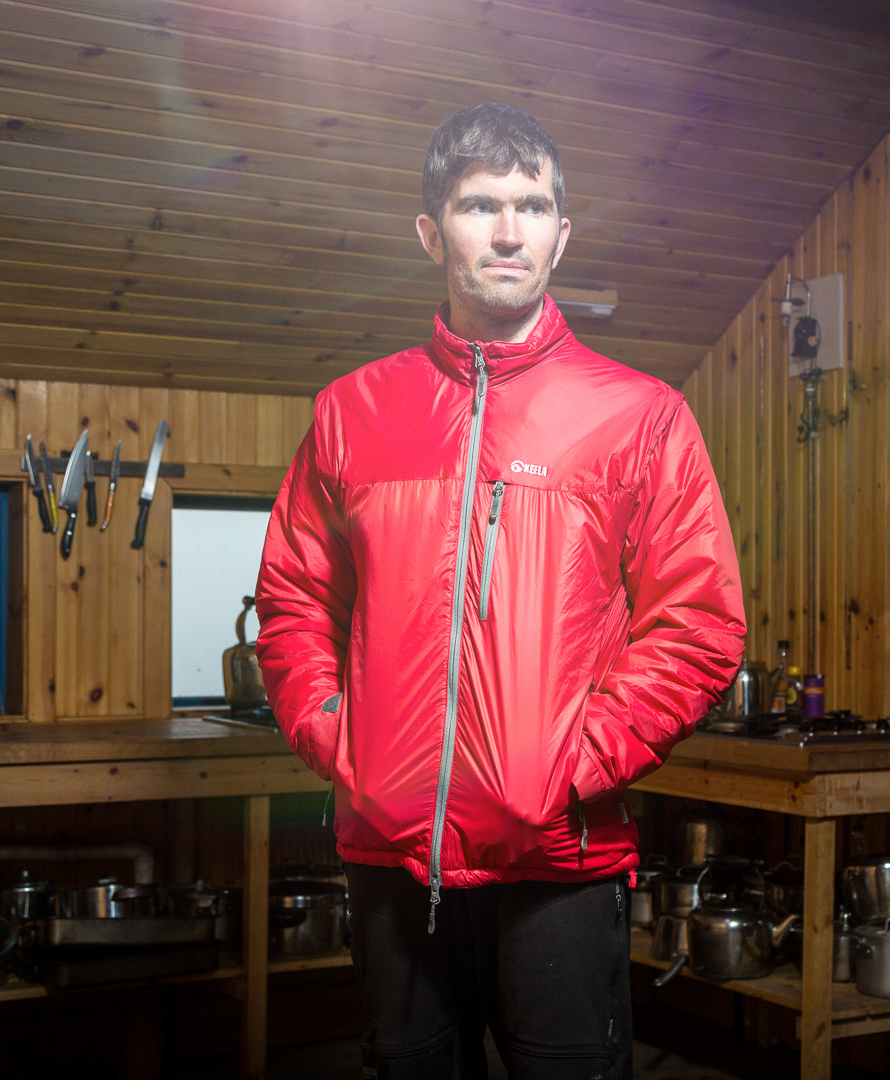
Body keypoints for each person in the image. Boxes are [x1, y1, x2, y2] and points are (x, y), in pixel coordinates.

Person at [255, 102, 746, 1080]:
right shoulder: (352, 411)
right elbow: (295, 598)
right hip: (390, 854)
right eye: (483, 205)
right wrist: (339, 740)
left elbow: (697, 624)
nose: (510, 230)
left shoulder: (640, 417)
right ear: (433, 231)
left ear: (563, 233)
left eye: (534, 206)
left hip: (557, 860)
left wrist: (568, 766)